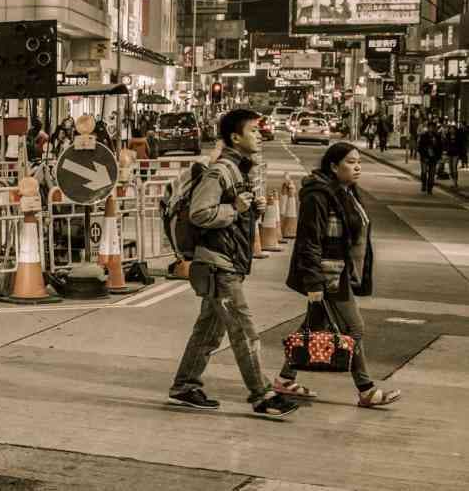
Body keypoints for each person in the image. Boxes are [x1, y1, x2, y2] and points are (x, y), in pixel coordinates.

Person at [169, 108, 300, 418]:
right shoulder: (221, 171)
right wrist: (235, 208)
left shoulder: (239, 170)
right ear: (235, 137)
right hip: (218, 264)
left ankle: (185, 385)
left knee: (208, 332)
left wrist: (251, 207)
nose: (259, 135)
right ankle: (262, 394)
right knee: (243, 331)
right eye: (253, 131)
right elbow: (200, 214)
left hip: (227, 262)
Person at [279, 143, 401, 408]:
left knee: (313, 325)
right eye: (350, 162)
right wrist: (313, 281)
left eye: (359, 162)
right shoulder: (318, 196)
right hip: (328, 273)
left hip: (340, 270)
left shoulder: (346, 192)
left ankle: (285, 379)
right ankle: (366, 389)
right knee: (354, 328)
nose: (357, 167)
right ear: (333, 166)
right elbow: (309, 240)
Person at [417, 122, 442, 194]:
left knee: (432, 173)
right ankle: (424, 184)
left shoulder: (437, 137)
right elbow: (420, 147)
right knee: (424, 172)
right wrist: (423, 155)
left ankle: (430, 188)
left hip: (433, 158)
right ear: (428, 128)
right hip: (425, 157)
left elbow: (440, 148)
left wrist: (438, 157)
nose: (431, 129)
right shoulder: (423, 135)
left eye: (432, 127)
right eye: (430, 127)